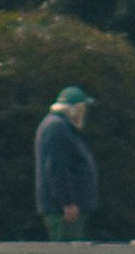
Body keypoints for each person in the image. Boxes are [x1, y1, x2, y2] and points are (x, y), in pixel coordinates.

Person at [34, 82, 99, 241]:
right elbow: (56, 168)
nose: (84, 114)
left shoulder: (61, 127)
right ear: (74, 109)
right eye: (82, 109)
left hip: (67, 207)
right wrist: (68, 202)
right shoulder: (57, 128)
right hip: (63, 210)